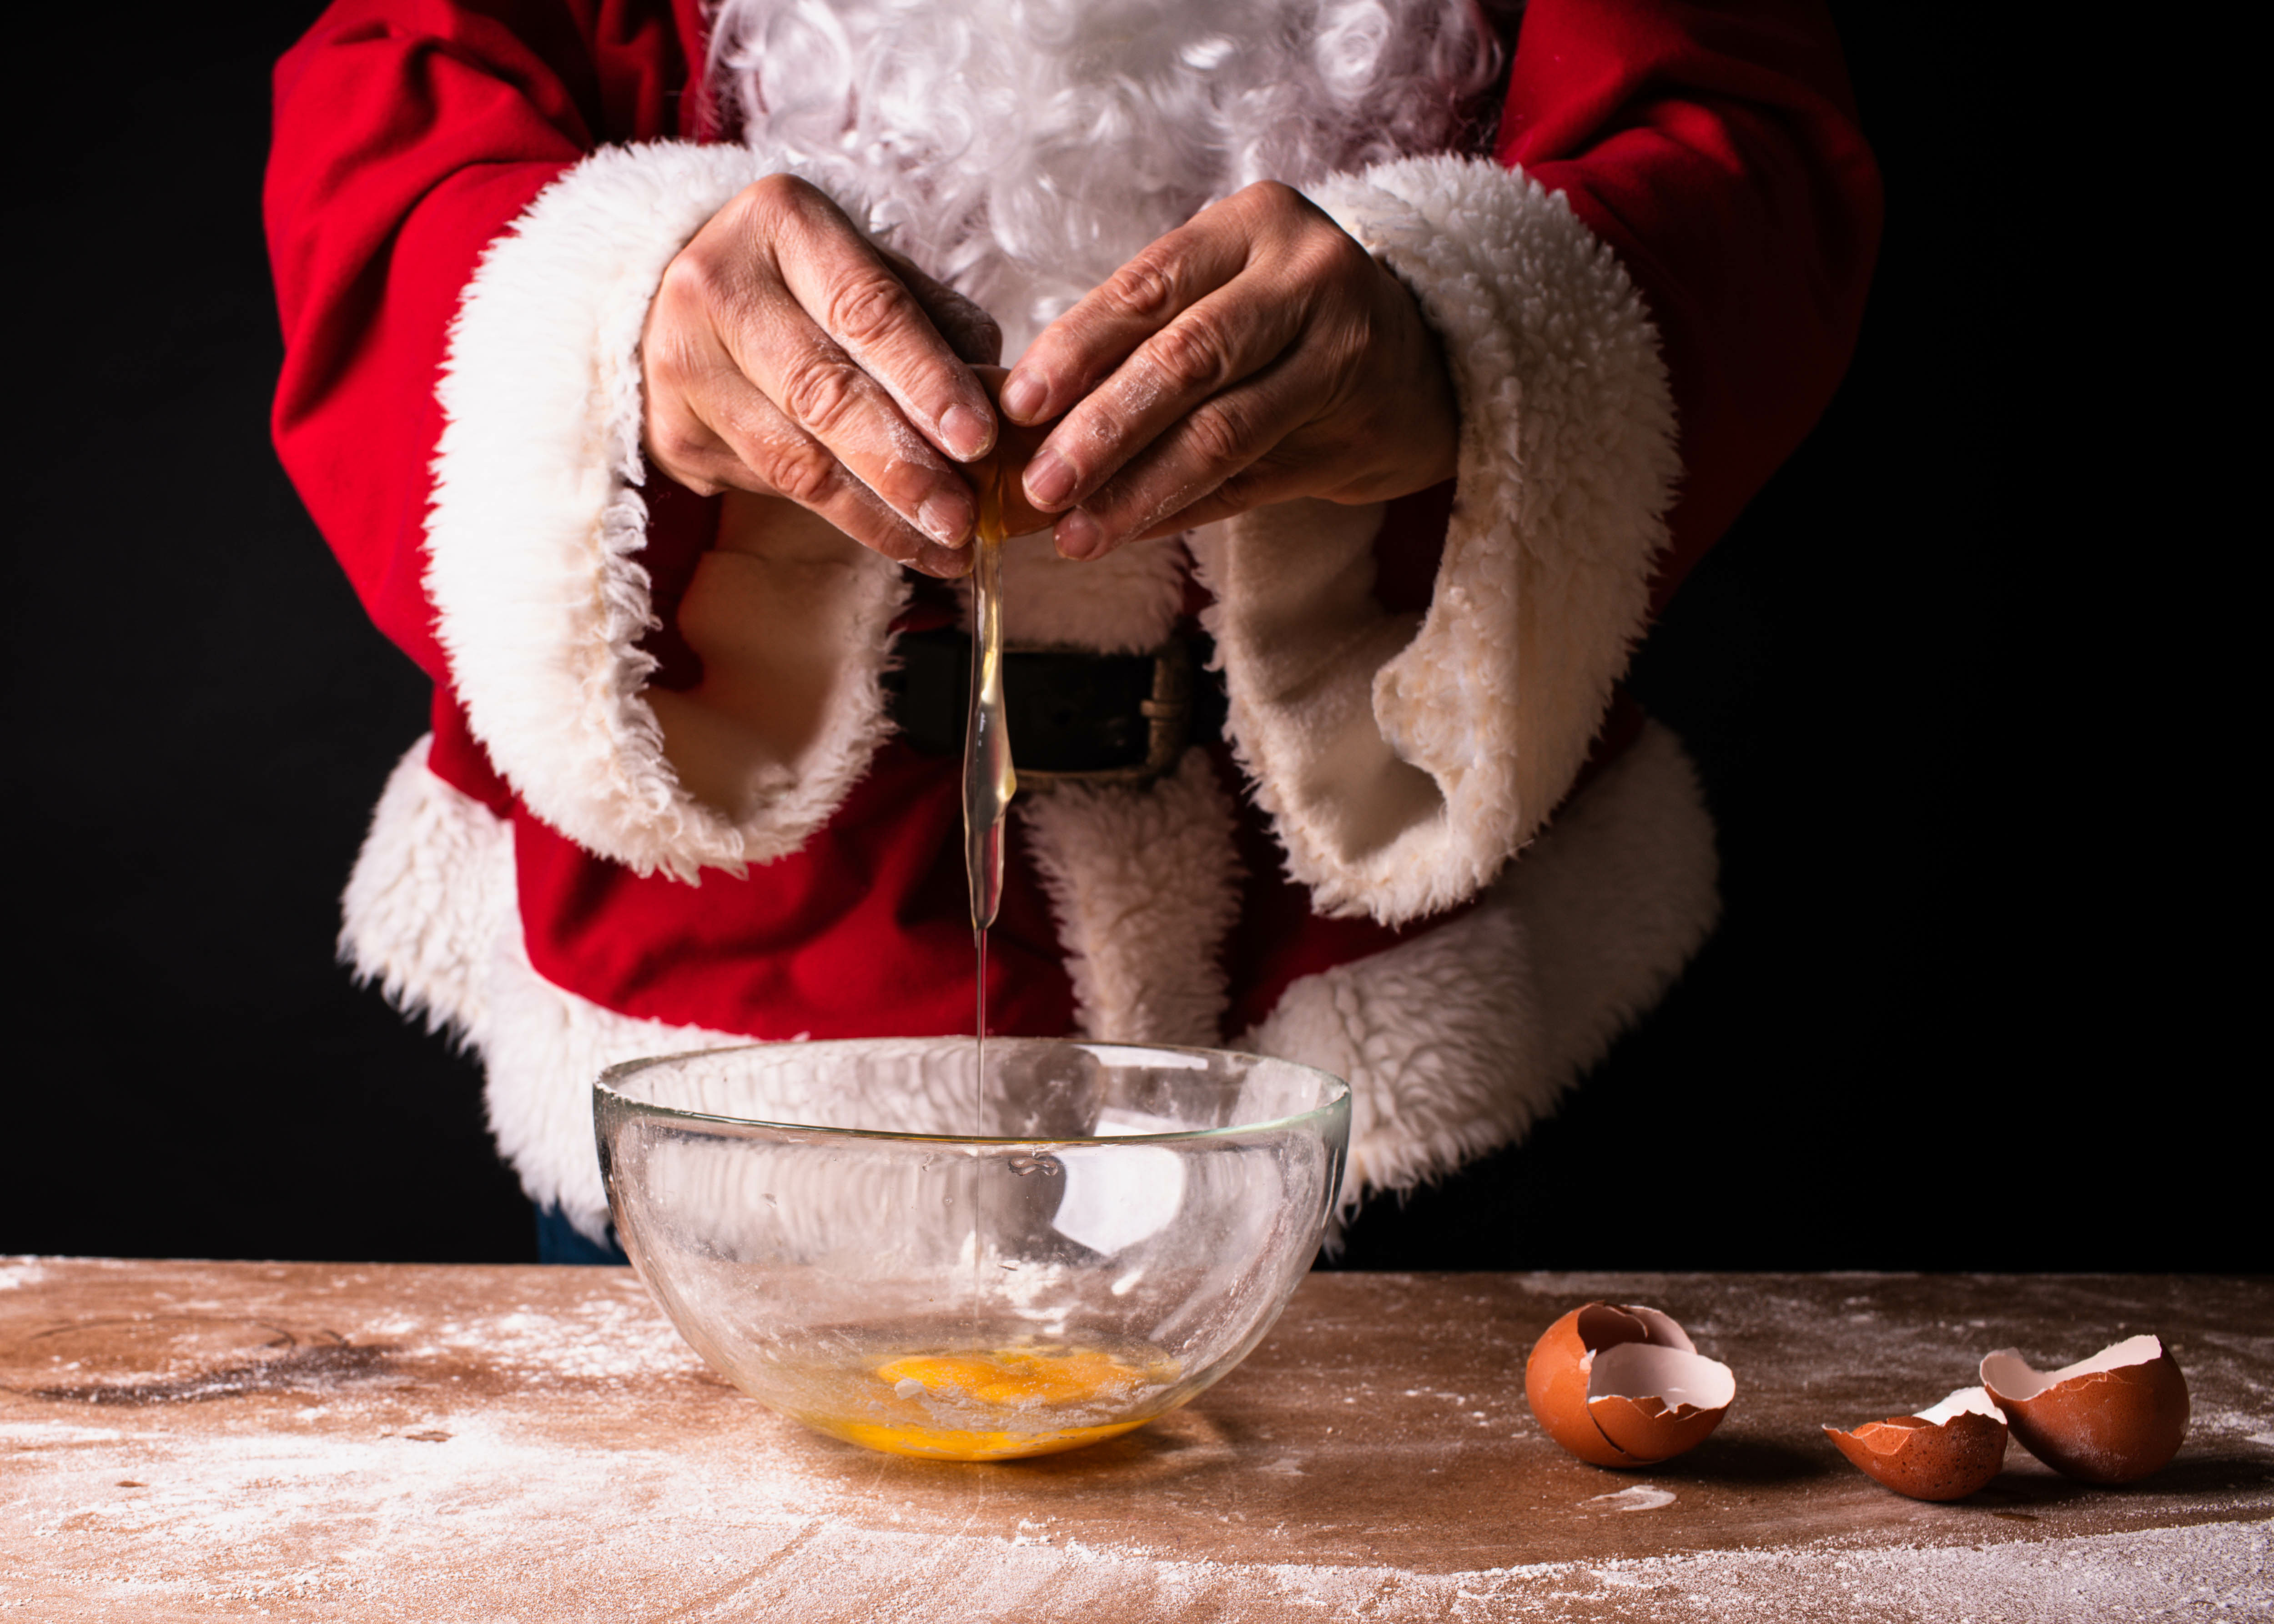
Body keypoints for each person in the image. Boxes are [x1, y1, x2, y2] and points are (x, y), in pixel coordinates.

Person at [267, 0, 1881, 1260]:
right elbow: (391, 97)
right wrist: (613, 320)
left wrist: (1467, 334)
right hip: (742, 1014)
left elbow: (1739, 128)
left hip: (1380, 975)